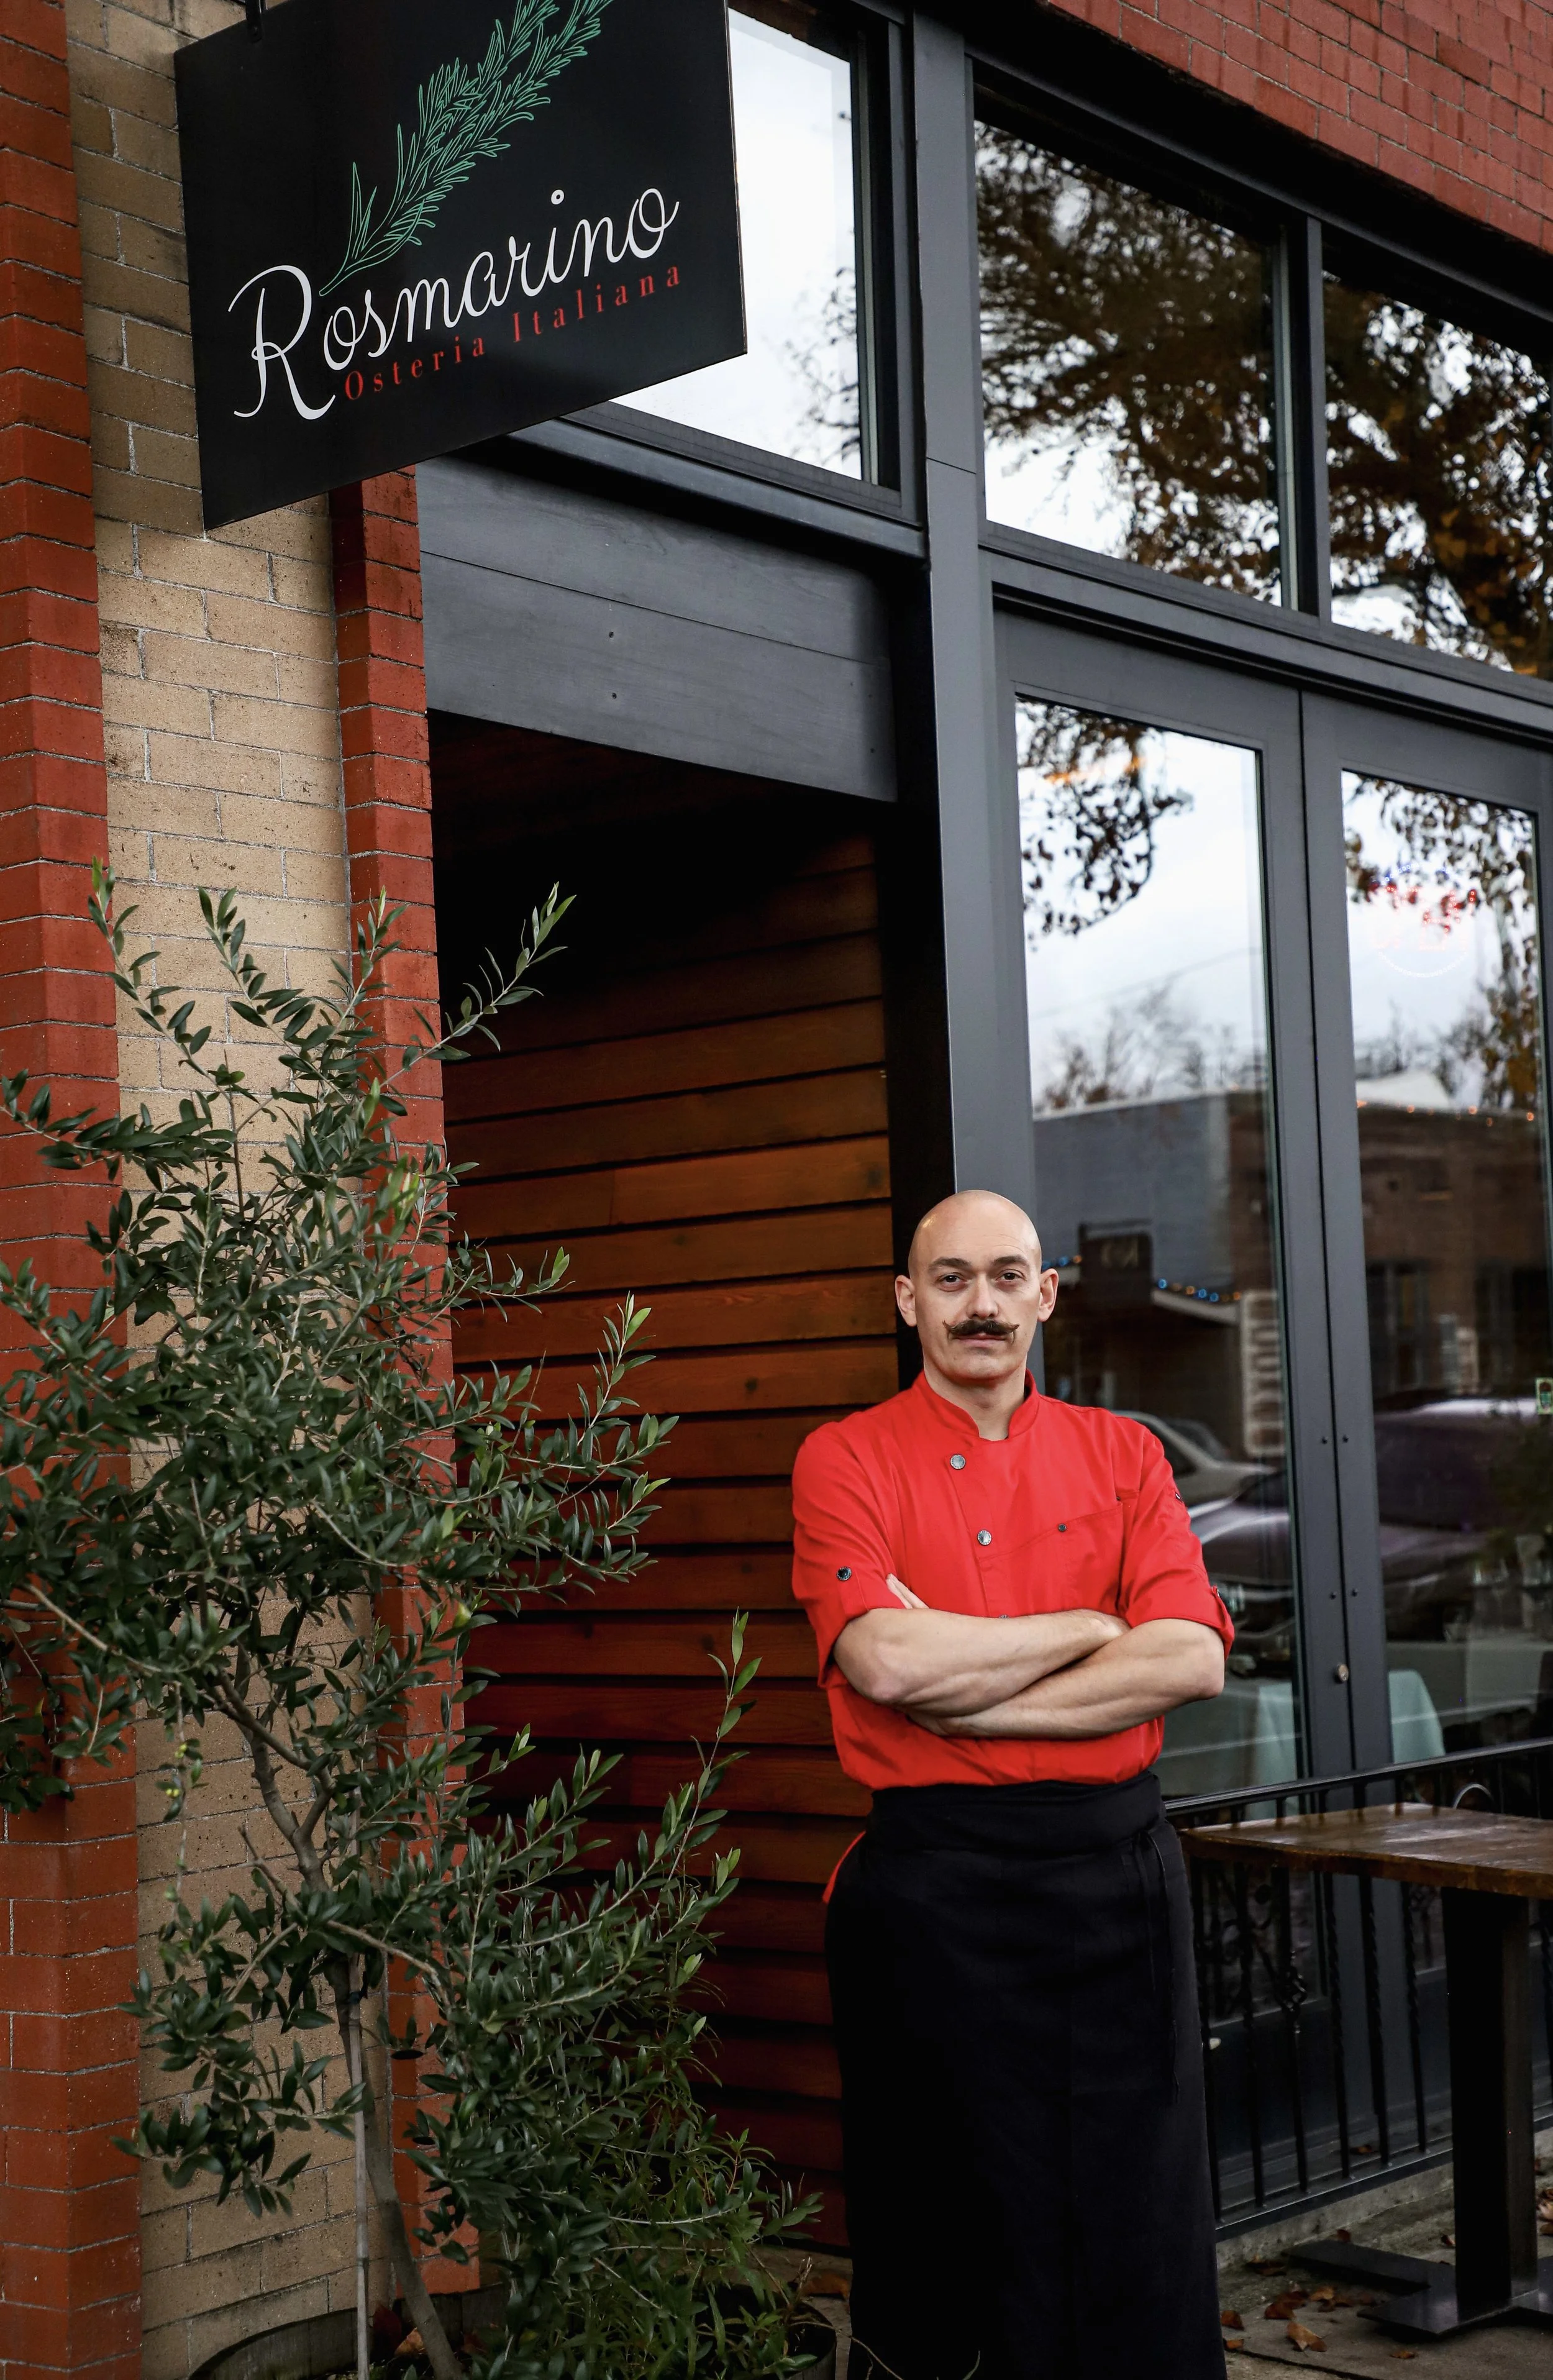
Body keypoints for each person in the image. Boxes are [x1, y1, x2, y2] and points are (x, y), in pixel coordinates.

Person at [790, 1189, 1232, 2380]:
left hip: (1116, 1889)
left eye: (1005, 1277)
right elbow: (881, 1656)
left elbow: (1190, 1655)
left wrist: (959, 1685)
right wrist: (1095, 1626)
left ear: (1046, 1294)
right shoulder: (843, 1458)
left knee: (1134, 2214)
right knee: (943, 2221)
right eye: (949, 1279)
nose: (979, 1304)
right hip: (935, 1895)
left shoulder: (1126, 1452)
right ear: (907, 1299)